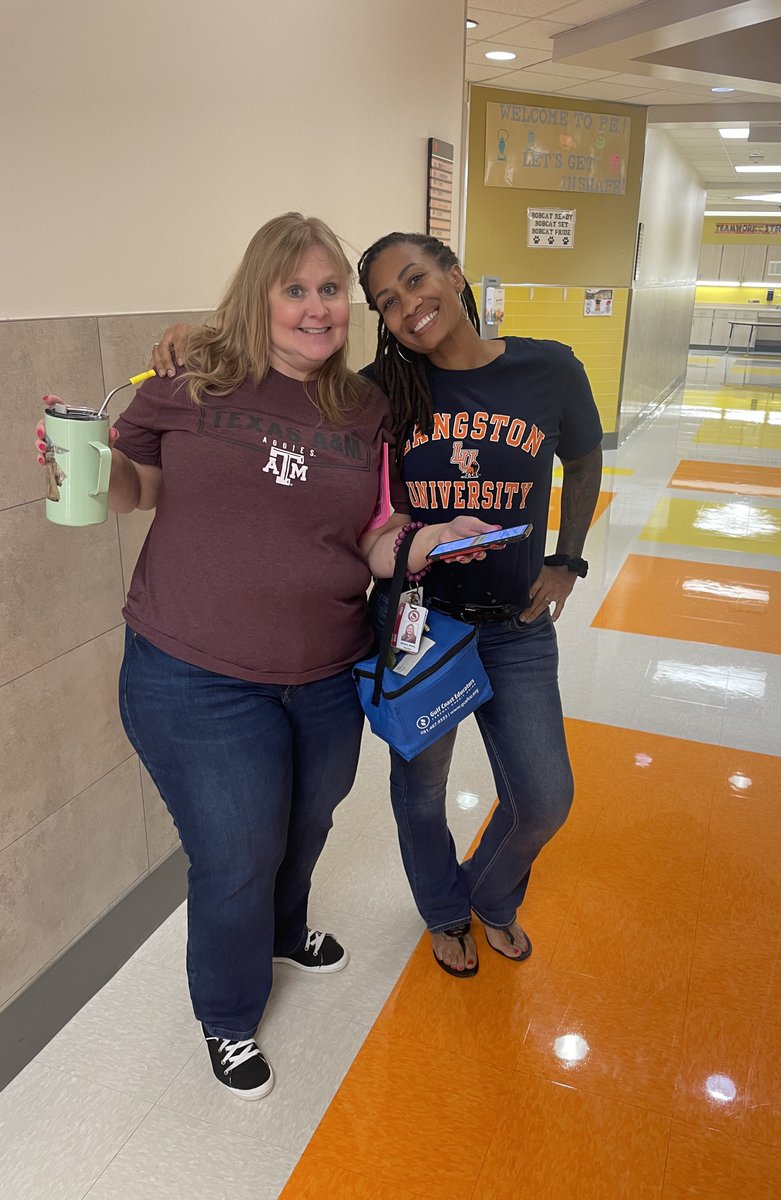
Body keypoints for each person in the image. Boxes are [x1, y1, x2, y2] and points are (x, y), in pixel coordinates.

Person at [35, 214, 493, 1099]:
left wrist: (426, 541)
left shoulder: (362, 407)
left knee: (309, 823)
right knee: (238, 849)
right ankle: (229, 1013)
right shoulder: (191, 381)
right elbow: (134, 489)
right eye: (296, 291)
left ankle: (286, 931)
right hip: (194, 675)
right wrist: (83, 467)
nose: (317, 310)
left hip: (324, 672)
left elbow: (370, 538)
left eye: (330, 292)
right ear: (262, 294)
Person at [152, 230, 603, 980]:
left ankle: (489, 896)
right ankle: (444, 912)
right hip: (416, 627)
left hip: (515, 625)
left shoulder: (547, 368)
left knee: (546, 798)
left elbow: (583, 459)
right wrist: (197, 337)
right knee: (422, 793)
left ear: (455, 275)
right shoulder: (375, 394)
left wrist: (567, 560)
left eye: (418, 280)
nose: (408, 305)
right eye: (387, 301)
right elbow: (284, 366)